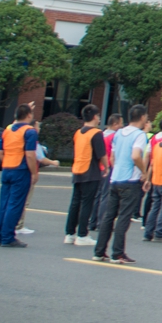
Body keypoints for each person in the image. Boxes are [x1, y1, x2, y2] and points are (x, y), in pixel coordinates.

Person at [94, 104, 149, 263]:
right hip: (130, 180)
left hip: (115, 178)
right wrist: (144, 172)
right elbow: (136, 156)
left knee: (109, 216)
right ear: (142, 117)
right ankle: (117, 253)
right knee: (124, 217)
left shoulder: (119, 133)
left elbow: (112, 157)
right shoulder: (139, 135)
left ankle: (99, 251)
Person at [0, 103, 39, 248]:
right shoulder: (30, 131)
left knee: (4, 204)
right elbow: (30, 155)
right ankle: (8, 237)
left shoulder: (7, 130)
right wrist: (34, 172)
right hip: (21, 170)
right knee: (15, 205)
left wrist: (8, 161)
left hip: (7, 168)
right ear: (29, 115)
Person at [65, 105, 108, 245]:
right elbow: (101, 154)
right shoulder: (96, 133)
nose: (99, 118)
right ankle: (82, 235)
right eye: (98, 116)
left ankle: (70, 234)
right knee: (87, 204)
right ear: (95, 117)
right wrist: (106, 167)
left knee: (75, 203)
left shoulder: (78, 132)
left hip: (78, 169)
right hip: (90, 172)